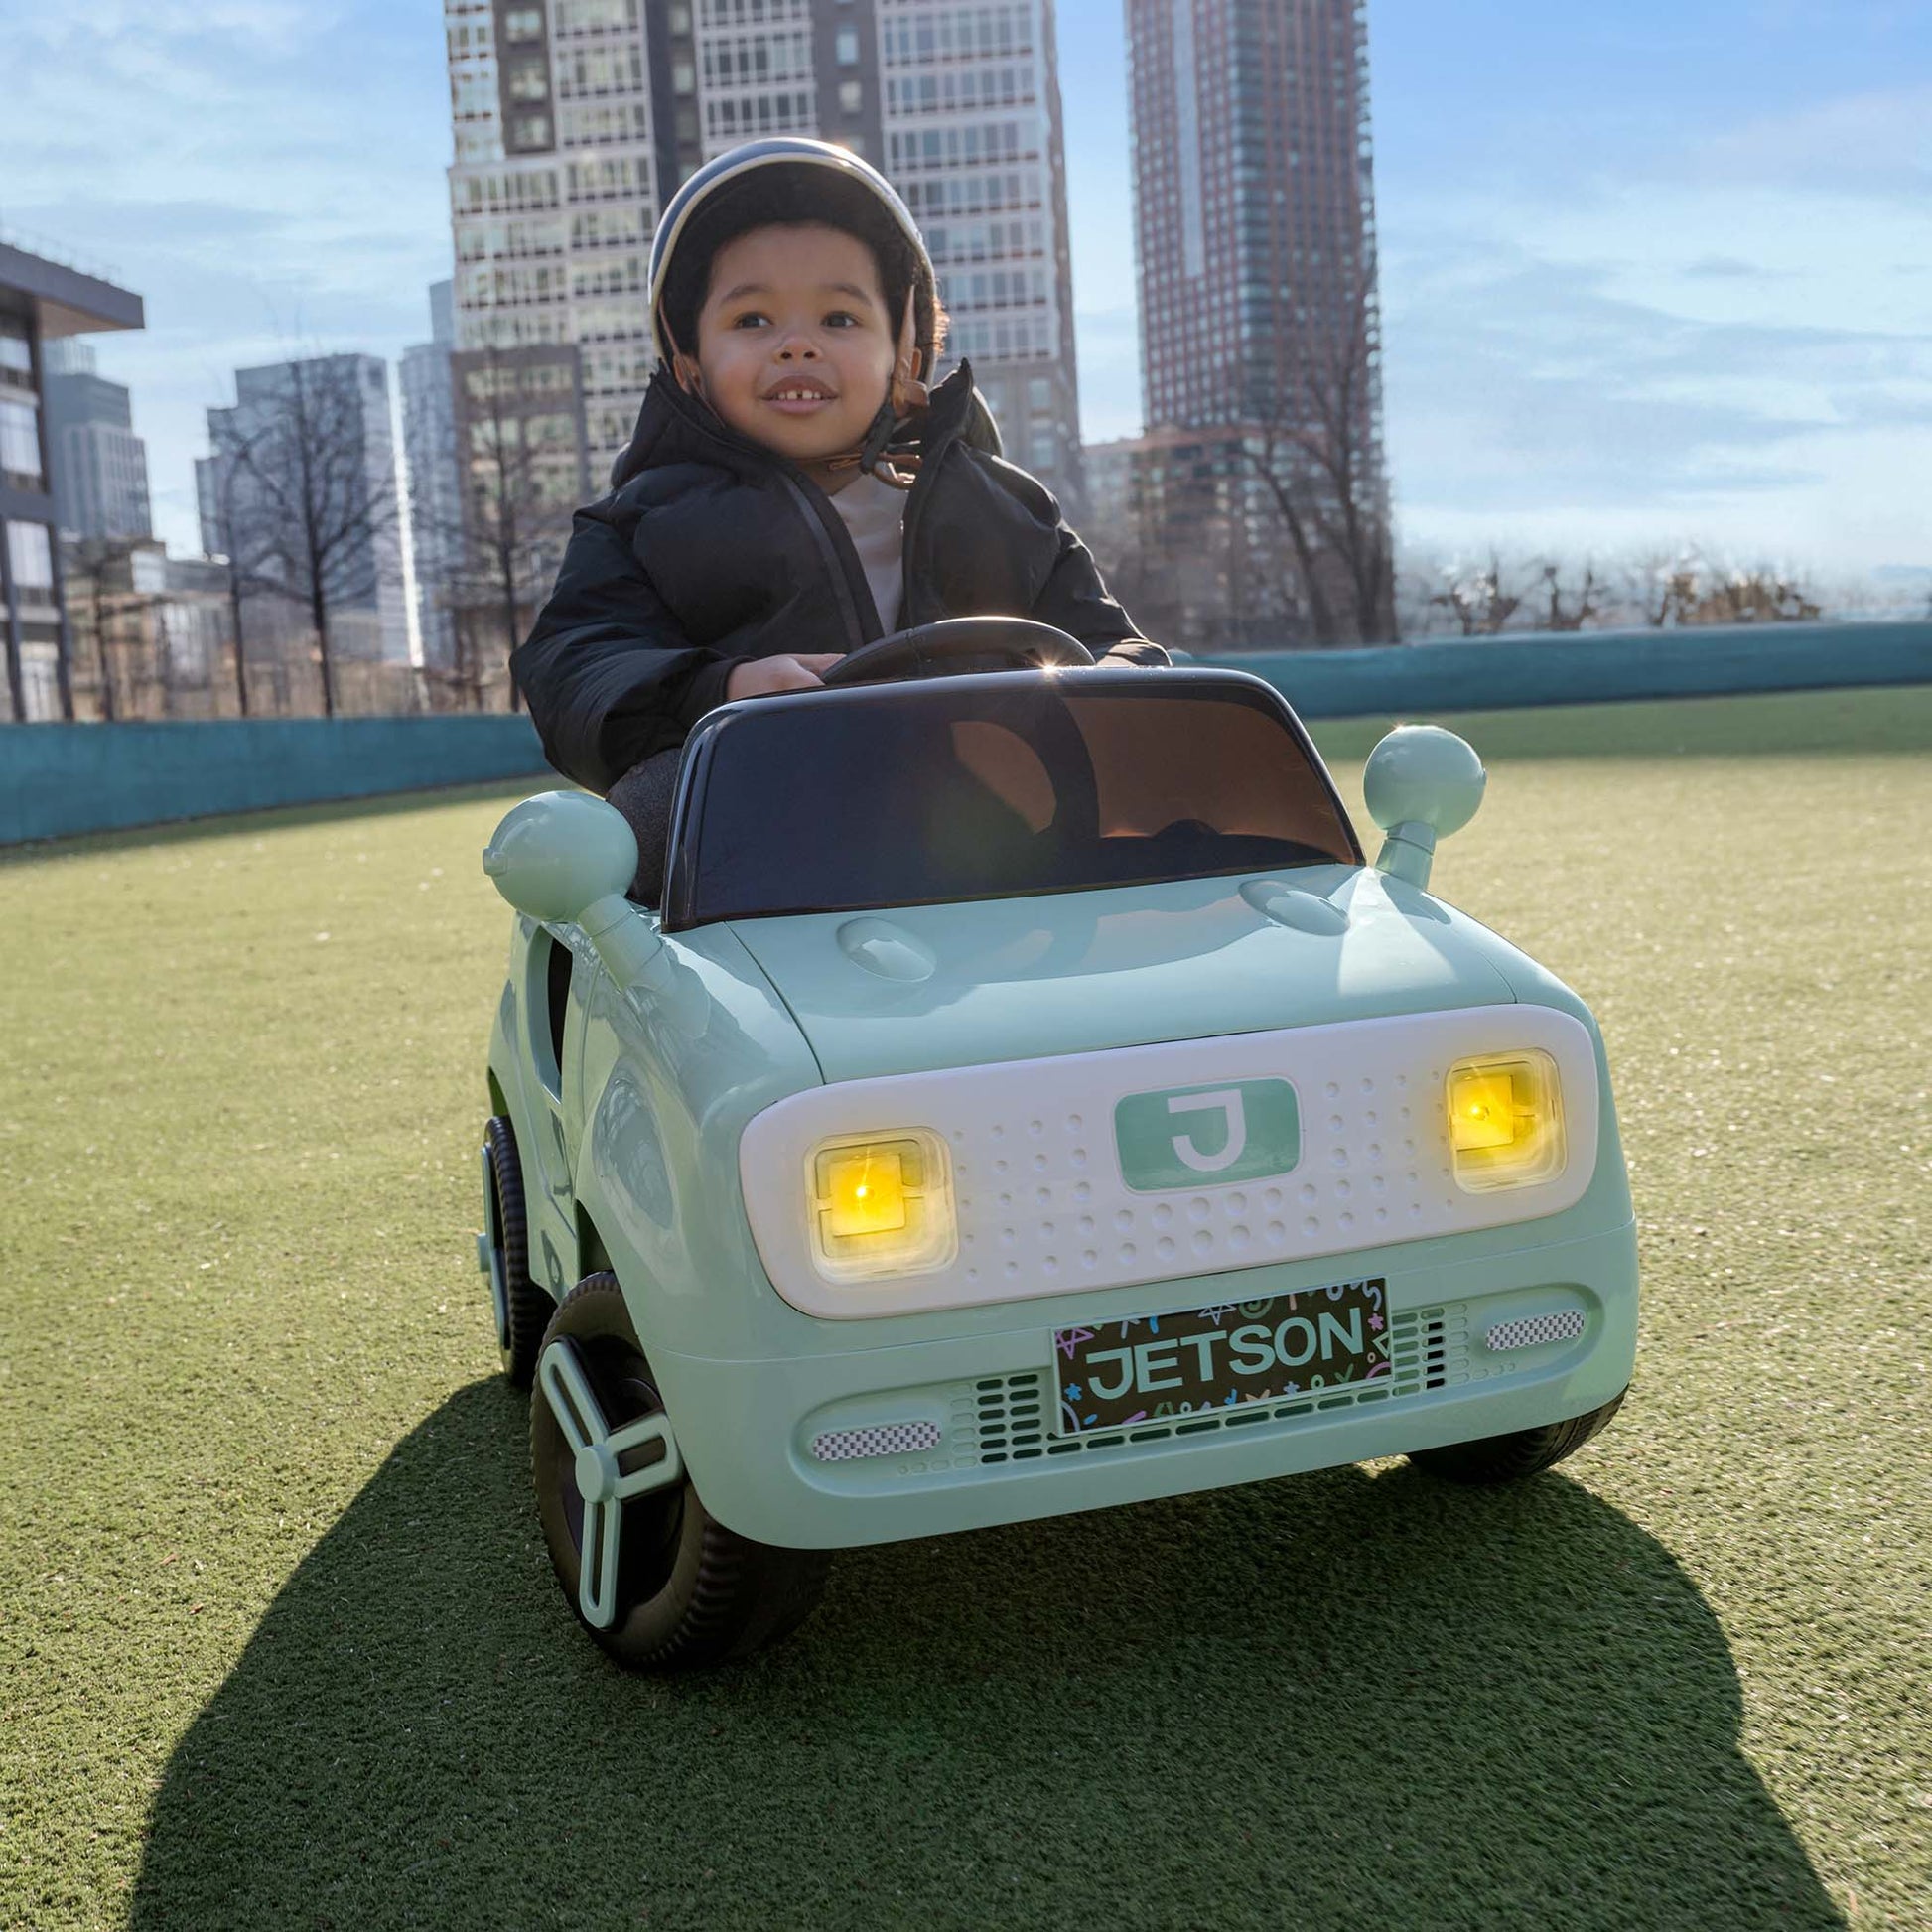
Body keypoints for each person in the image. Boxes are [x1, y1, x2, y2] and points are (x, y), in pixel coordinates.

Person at [510, 136, 1163, 902]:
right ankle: (640, 1000)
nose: (796, 345)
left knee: (1177, 807)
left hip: (1002, 838)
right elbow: (575, 664)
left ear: (905, 352)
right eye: (752, 319)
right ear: (691, 363)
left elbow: (1109, 638)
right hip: (760, 860)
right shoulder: (640, 521)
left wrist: (1102, 687)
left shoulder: (1004, 505)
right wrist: (716, 689)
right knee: (645, 817)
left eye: (840, 319)